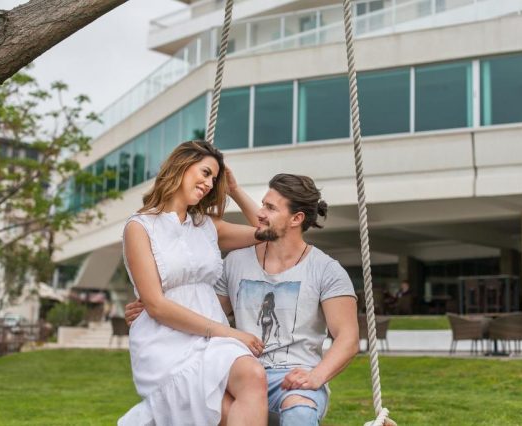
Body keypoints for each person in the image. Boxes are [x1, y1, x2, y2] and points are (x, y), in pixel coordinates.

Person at [127, 173, 360, 425]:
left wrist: (316, 377)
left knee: (300, 413)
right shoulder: (235, 262)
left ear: (297, 218)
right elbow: (202, 311)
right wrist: (153, 307)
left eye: (270, 208)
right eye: (262, 204)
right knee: (196, 402)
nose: (260, 213)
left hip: (293, 378)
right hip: (238, 372)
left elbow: (347, 339)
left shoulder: (326, 270)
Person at [118, 141, 268, 426]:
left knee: (253, 374)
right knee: (224, 414)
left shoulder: (207, 226)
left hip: (213, 337)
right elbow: (156, 305)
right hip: (165, 341)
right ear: (181, 166)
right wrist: (231, 333)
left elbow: (267, 232)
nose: (209, 183)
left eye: (214, 179)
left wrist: (234, 190)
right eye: (205, 173)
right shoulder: (140, 227)